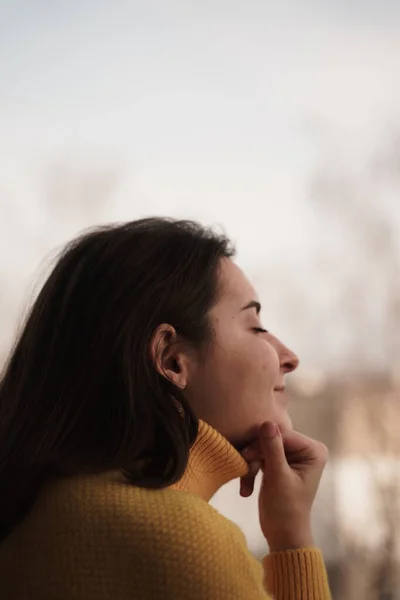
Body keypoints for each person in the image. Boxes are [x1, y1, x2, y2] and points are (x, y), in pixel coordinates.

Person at [0, 218, 331, 599]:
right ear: (172, 360)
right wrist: (294, 540)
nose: (289, 358)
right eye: (255, 327)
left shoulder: (37, 510)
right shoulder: (181, 540)